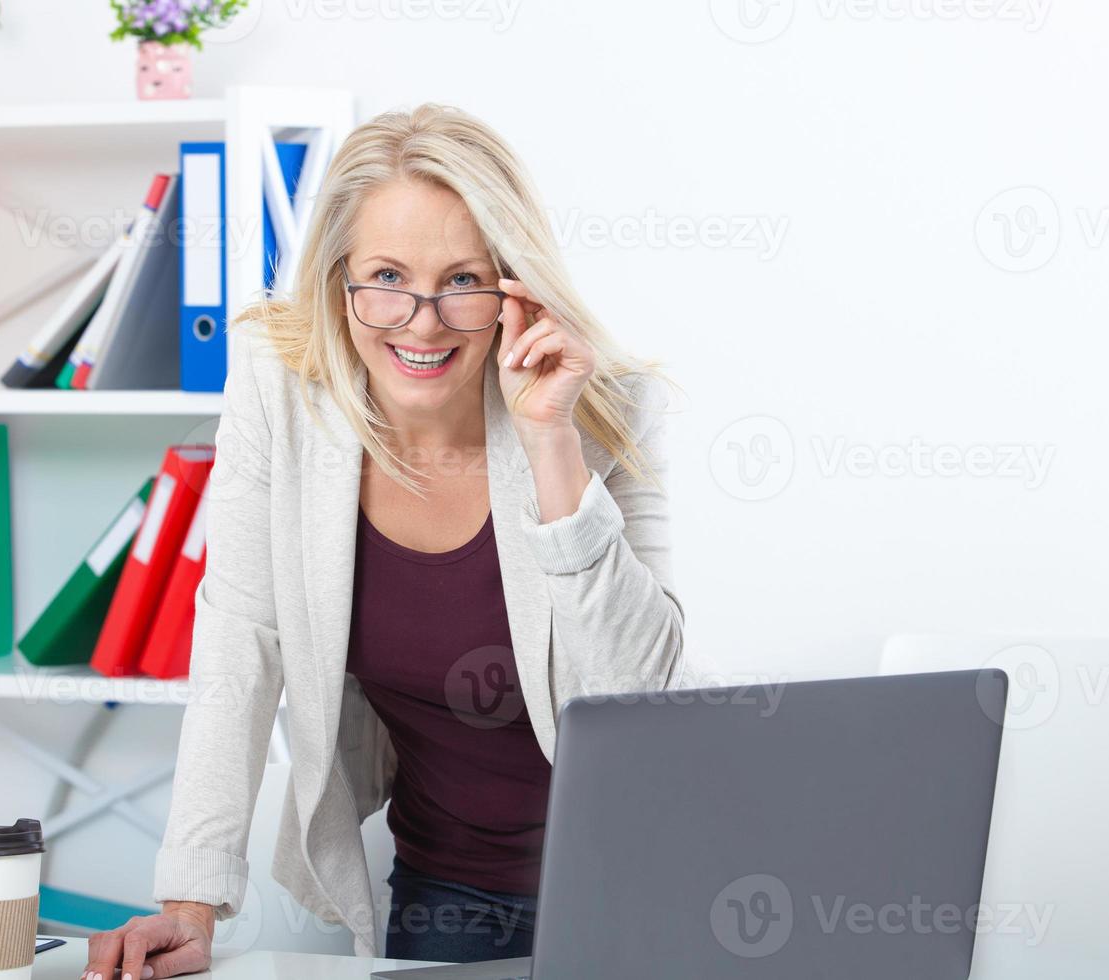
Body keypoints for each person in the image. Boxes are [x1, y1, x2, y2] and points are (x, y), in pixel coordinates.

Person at [83, 102, 688, 980]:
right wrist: (193, 901)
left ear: (514, 286)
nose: (423, 320)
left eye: (462, 280)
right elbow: (240, 643)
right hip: (453, 891)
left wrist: (552, 446)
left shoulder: (605, 408)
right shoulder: (282, 389)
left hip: (650, 879)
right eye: (387, 277)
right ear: (339, 281)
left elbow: (646, 700)